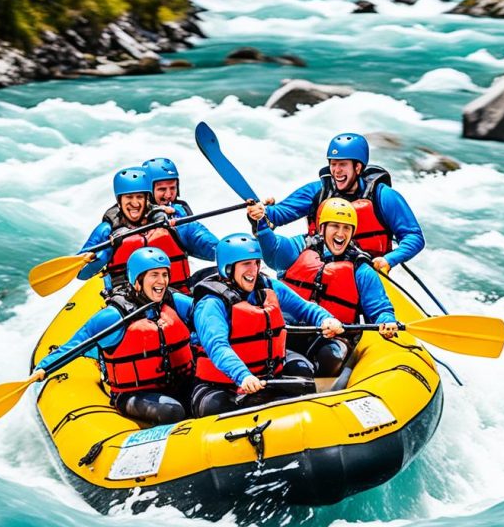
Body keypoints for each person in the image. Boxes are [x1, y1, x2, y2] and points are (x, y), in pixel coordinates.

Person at [35, 248, 197, 425]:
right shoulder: (113, 316)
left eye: (165, 274)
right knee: (172, 412)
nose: (162, 281)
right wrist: (43, 368)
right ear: (138, 279)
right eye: (154, 275)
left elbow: (208, 317)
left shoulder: (174, 302)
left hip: (179, 383)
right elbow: (76, 345)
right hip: (134, 395)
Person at [190, 233, 344, 417]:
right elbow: (217, 346)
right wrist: (243, 376)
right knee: (218, 407)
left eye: (256, 263)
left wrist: (326, 319)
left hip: (266, 375)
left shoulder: (267, 286)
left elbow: (304, 308)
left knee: (302, 370)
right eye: (246, 264)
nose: (253, 270)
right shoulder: (210, 304)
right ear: (228, 268)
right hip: (222, 385)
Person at [251, 197, 398, 376]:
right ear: (322, 228)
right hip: (289, 325)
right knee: (260, 340)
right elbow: (274, 250)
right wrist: (262, 225)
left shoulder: (361, 269)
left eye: (346, 228)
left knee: (331, 356)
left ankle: (316, 391)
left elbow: (379, 308)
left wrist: (386, 320)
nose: (341, 233)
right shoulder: (302, 246)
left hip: (333, 335)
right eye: (335, 226)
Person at [257, 133, 425, 272]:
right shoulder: (318, 191)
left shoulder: (384, 197)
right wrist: (261, 212)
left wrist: (389, 260)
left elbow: (414, 236)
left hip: (368, 273)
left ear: (358, 167)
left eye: (343, 165)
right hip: (321, 269)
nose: (336, 171)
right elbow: (276, 216)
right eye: (333, 164)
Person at [78, 166, 218, 292]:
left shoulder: (173, 221)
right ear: (119, 202)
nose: (134, 203)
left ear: (147, 199)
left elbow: (217, 250)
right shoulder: (107, 230)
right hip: (129, 301)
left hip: (177, 293)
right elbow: (81, 273)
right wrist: (102, 257)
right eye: (129, 197)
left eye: (139, 197)